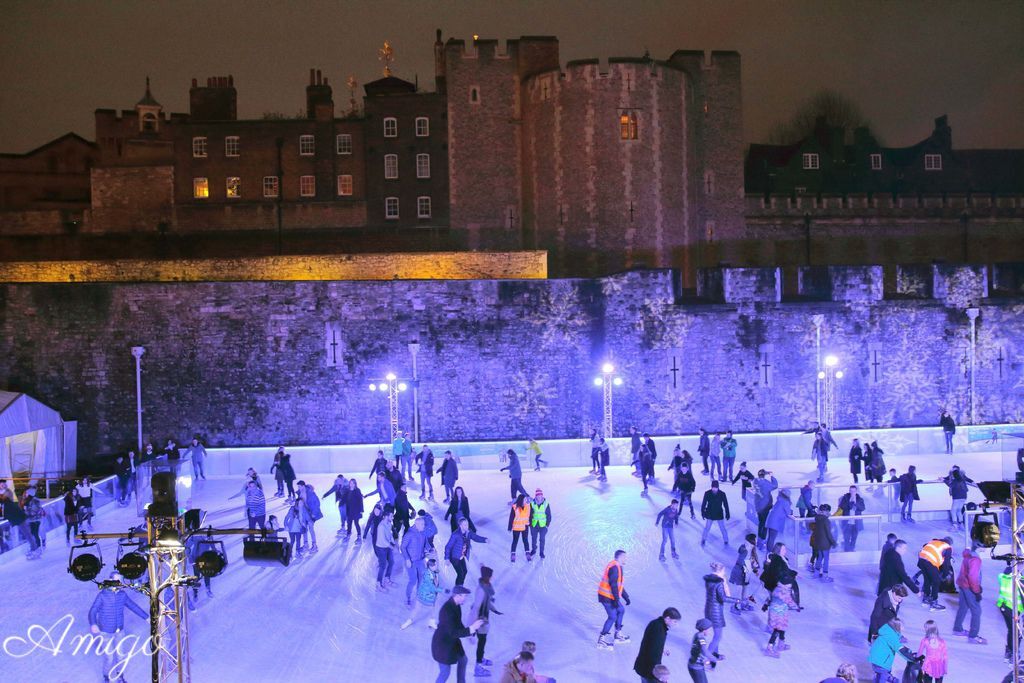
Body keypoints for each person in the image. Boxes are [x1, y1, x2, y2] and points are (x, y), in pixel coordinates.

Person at [88, 572, 148, 681]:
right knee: (109, 657)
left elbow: (133, 606)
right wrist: (93, 623)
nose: (119, 583)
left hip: (119, 631)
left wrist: (146, 617)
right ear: (111, 581)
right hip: (105, 632)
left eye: (121, 581)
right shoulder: (103, 595)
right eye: (117, 580)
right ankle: (106, 676)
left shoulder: (122, 595)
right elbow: (93, 611)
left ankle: (120, 675)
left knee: (121, 656)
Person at [431, 585, 486, 683]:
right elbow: (453, 632)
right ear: (457, 596)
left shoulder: (456, 605)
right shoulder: (447, 611)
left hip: (451, 643)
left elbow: (458, 623)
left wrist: (469, 632)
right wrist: (472, 628)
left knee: (463, 660)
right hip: (442, 646)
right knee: (445, 672)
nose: (466, 598)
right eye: (464, 596)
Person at [470, 565, 502, 677]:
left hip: (484, 619)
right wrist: (472, 630)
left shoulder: (486, 587)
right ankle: (478, 667)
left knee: (482, 642)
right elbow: (475, 609)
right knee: (481, 643)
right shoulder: (481, 591)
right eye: (491, 576)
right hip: (480, 620)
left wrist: (495, 610)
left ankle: (481, 659)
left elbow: (488, 602)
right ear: (487, 577)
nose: (493, 577)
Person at [634, 607, 681, 683]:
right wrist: (659, 674)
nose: (676, 624)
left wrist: (661, 649)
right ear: (667, 618)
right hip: (649, 669)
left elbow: (651, 643)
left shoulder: (655, 623)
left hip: (643, 665)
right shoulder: (660, 630)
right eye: (675, 621)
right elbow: (653, 654)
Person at [597, 549, 632, 650]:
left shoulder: (618, 566)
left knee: (621, 610)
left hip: (610, 596)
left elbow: (619, 584)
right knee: (612, 616)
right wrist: (616, 600)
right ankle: (601, 640)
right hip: (606, 596)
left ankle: (617, 634)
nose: (626, 559)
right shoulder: (614, 567)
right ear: (620, 557)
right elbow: (613, 585)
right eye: (625, 557)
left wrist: (626, 597)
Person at [952, 546, 986, 643]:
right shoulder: (976, 559)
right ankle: (973, 636)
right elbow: (972, 577)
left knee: (963, 607)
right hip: (969, 587)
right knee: (976, 610)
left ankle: (957, 629)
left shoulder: (968, 555)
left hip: (962, 584)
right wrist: (977, 591)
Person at [402, 557, 446, 631]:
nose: (437, 566)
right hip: (425, 595)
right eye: (435, 565)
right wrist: (443, 590)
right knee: (417, 609)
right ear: (431, 566)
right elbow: (432, 587)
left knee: (433, 608)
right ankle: (409, 621)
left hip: (431, 596)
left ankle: (431, 622)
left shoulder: (434, 572)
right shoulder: (428, 575)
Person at [703, 561, 735, 660]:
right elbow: (724, 598)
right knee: (718, 636)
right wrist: (739, 601)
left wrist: (724, 582)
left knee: (716, 635)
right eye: (724, 571)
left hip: (708, 609)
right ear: (721, 570)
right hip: (716, 612)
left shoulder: (709, 580)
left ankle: (714, 654)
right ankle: (706, 659)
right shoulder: (719, 583)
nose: (725, 573)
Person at [764, 573, 801, 657]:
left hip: (781, 611)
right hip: (778, 612)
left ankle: (781, 643)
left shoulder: (777, 588)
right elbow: (789, 601)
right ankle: (769, 647)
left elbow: (770, 598)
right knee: (777, 629)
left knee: (782, 627)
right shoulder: (784, 592)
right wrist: (796, 607)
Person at [445, 517, 488, 587]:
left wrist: (484, 540)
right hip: (454, 557)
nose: (467, 526)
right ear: (460, 526)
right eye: (465, 525)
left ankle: (460, 586)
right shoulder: (455, 535)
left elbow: (475, 537)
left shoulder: (468, 532)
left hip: (461, 556)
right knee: (460, 574)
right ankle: (458, 589)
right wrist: (447, 558)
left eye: (467, 524)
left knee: (464, 571)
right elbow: (448, 547)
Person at [917, 537, 953, 611]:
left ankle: (926, 599)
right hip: (930, 563)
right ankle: (934, 603)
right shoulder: (947, 547)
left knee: (927, 579)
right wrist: (945, 575)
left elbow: (925, 547)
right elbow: (947, 563)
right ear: (949, 543)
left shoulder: (934, 542)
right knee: (936, 581)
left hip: (921, 560)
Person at [402, 515, 430, 606]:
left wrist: (429, 549)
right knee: (413, 580)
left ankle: (419, 595)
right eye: (422, 524)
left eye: (424, 524)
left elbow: (426, 544)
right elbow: (402, 547)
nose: (424, 526)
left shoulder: (423, 533)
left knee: (421, 578)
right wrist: (407, 559)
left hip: (420, 560)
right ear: (416, 524)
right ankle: (407, 598)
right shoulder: (409, 534)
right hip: (411, 561)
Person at [729, 533, 760, 612]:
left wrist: (755, 570)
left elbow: (751, 562)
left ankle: (743, 604)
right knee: (738, 592)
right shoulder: (745, 550)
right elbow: (742, 561)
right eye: (755, 540)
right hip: (739, 572)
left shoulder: (751, 551)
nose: (756, 541)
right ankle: (733, 607)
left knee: (745, 590)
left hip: (746, 573)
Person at [809, 503, 837, 582]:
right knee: (826, 559)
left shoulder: (817, 519)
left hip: (818, 543)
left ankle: (816, 573)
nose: (828, 513)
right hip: (825, 544)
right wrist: (833, 542)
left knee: (820, 558)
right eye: (828, 511)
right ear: (826, 511)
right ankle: (825, 576)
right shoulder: (826, 520)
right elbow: (828, 533)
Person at [371, 505, 396, 590]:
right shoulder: (381, 526)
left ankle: (387, 578)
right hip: (381, 548)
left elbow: (389, 535)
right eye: (391, 516)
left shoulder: (389, 523)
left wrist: (393, 542)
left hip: (387, 546)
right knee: (383, 565)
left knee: (392, 562)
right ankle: (378, 583)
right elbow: (383, 540)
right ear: (386, 516)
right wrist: (392, 547)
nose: (392, 517)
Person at [942, 465, 973, 530]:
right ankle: (961, 524)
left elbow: (950, 485)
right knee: (959, 510)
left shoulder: (956, 480)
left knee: (953, 511)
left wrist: (943, 480)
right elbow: (968, 479)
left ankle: (955, 525)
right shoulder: (962, 478)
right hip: (963, 496)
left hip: (957, 496)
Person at [699, 480, 730, 547]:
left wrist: (727, 513)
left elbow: (726, 504)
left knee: (722, 528)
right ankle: (703, 539)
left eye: (715, 487)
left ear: (718, 487)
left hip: (719, 513)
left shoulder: (722, 494)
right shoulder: (707, 493)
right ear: (711, 487)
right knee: (707, 527)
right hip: (710, 513)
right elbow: (704, 503)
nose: (714, 489)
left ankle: (726, 540)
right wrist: (703, 512)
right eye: (713, 487)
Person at [753, 469, 778, 548]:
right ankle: (762, 542)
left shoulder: (755, 481)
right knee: (764, 525)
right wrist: (772, 476)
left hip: (758, 506)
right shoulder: (765, 483)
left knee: (761, 523)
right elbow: (775, 485)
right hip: (765, 507)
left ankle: (759, 540)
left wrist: (766, 473)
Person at [837, 485, 866, 551]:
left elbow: (862, 508)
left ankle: (852, 549)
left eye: (854, 491)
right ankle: (847, 549)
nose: (852, 492)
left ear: (856, 491)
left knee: (854, 537)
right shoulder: (845, 498)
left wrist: (855, 504)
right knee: (846, 537)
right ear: (849, 491)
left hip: (856, 523)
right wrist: (850, 503)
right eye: (851, 491)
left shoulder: (859, 499)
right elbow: (841, 506)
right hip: (847, 522)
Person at [687, 618, 717, 683]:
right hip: (696, 666)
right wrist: (714, 659)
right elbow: (705, 651)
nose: (709, 631)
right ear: (704, 630)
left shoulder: (697, 634)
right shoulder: (701, 639)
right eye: (709, 629)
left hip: (694, 664)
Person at [764, 488, 792, 552]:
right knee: (772, 538)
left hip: (772, 520)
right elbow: (788, 512)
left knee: (770, 537)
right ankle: (770, 552)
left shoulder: (780, 499)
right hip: (775, 522)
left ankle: (769, 551)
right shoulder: (785, 502)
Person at [298, 481, 322, 552]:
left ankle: (314, 545)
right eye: (298, 487)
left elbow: (317, 503)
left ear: (303, 486)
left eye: (299, 486)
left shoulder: (310, 493)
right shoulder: (300, 493)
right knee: (304, 529)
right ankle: (306, 545)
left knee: (311, 529)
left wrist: (314, 513)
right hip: (303, 514)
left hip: (310, 515)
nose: (298, 488)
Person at [528, 489, 551, 560]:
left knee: (542, 539)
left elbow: (549, 515)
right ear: (536, 496)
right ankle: (534, 550)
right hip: (534, 525)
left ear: (542, 495)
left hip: (543, 526)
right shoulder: (532, 503)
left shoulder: (546, 504)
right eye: (538, 495)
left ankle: (541, 553)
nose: (539, 496)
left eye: (540, 495)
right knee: (533, 539)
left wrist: (547, 525)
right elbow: (529, 514)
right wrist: (530, 524)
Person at [508, 493, 532, 562]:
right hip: (516, 527)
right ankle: (513, 554)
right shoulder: (515, 507)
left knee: (525, 541)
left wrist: (530, 523)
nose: (526, 501)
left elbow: (530, 515)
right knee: (515, 541)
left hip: (525, 527)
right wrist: (510, 527)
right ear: (521, 500)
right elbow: (511, 518)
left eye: (526, 499)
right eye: (524, 499)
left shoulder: (528, 506)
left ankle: (527, 553)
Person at [22, 487, 44, 559]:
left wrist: (27, 512)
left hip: (36, 520)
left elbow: (35, 511)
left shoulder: (35, 501)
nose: (26, 494)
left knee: (35, 533)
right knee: (32, 533)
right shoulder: (27, 501)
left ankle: (38, 548)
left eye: (27, 493)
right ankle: (35, 548)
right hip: (30, 520)